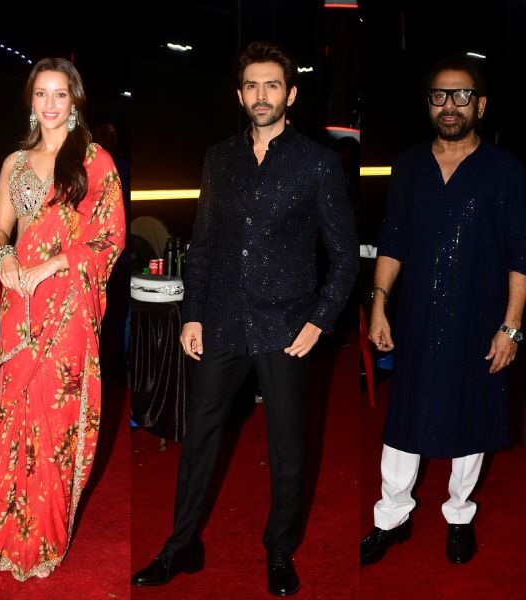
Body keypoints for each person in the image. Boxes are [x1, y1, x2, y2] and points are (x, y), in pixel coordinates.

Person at [131, 41, 358, 596]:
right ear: (239, 94)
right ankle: (182, 545)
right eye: (252, 85)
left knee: (287, 448)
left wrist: (318, 321)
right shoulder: (219, 158)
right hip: (224, 321)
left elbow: (345, 255)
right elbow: (205, 243)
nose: (261, 95)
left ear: (290, 95)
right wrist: (193, 315)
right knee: (199, 438)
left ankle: (279, 550)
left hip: (287, 326)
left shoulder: (317, 163)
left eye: (271, 85)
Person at [0, 58, 125, 581]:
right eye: (41, 94)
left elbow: (110, 236)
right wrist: (4, 256)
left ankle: (43, 535)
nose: (50, 103)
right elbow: (1, 230)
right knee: (18, 415)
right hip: (19, 302)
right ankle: (4, 525)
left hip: (67, 303)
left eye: (60, 94)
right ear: (30, 101)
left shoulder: (93, 160)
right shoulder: (14, 163)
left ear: (74, 101)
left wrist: (53, 263)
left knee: (54, 416)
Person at [360, 55, 526, 566]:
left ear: (481, 105)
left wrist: (511, 327)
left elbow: (520, 256)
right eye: (439, 95)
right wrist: (379, 304)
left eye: (461, 95)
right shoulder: (409, 165)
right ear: (428, 103)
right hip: (416, 316)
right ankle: (391, 518)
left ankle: (459, 516)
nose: (449, 105)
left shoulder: (505, 170)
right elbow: (392, 240)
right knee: (404, 416)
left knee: (470, 415)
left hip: (479, 318)